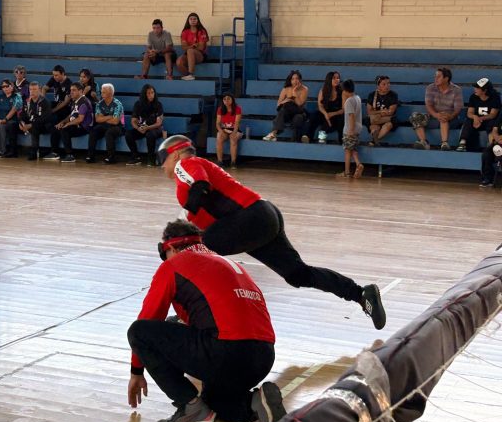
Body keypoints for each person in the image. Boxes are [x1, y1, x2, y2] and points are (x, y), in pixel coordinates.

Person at [155, 134, 386, 330]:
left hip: (250, 218)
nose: (162, 165)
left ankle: (190, 319)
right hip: (263, 217)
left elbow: (200, 188)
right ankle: (361, 294)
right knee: (298, 275)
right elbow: (197, 223)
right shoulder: (189, 182)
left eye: (162, 159)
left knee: (193, 256)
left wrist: (176, 240)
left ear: (175, 154)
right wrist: (174, 239)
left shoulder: (185, 165)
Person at [127, 220, 285, 422]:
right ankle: (256, 402)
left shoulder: (173, 265)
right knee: (216, 404)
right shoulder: (225, 263)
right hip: (262, 357)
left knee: (140, 332)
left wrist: (137, 371)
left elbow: (148, 318)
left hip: (224, 351)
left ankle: (189, 406)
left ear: (169, 248)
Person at [410, 67, 464, 151]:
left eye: (438, 77)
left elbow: (458, 108)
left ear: (446, 78)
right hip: (433, 117)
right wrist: (436, 115)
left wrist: (449, 116)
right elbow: (429, 105)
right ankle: (423, 141)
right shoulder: (430, 88)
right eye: (435, 76)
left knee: (444, 116)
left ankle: (444, 143)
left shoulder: (456, 90)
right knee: (415, 116)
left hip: (451, 118)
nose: (435, 79)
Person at [44, 82, 93, 163]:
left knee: (65, 130)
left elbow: (80, 119)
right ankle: (55, 153)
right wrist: (62, 122)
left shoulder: (84, 101)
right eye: (71, 90)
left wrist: (67, 124)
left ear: (80, 91)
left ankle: (70, 155)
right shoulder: (75, 100)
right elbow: (71, 115)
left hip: (84, 127)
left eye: (74, 90)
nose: (71, 92)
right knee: (56, 128)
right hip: (76, 125)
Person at [263, 70, 308, 142]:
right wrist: (286, 100)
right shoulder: (285, 89)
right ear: (290, 80)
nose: (295, 81)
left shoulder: (304, 89)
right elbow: (278, 105)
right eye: (293, 79)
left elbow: (299, 104)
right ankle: (274, 133)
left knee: (298, 117)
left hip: (299, 112)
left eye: (297, 78)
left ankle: (292, 138)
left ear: (300, 80)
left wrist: (294, 92)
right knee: (284, 109)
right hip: (287, 114)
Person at [456, 78, 500, 152]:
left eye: (477, 88)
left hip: (488, 120)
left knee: (493, 123)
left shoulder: (495, 97)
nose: (475, 89)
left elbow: (493, 115)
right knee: (468, 121)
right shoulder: (473, 97)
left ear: (485, 90)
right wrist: (475, 117)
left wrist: (480, 119)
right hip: (475, 121)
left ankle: (491, 144)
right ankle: (462, 143)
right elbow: (469, 113)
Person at [126, 84, 165, 167]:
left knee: (150, 134)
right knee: (129, 134)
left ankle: (151, 159)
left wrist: (148, 128)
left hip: (155, 128)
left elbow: (159, 123)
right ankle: (135, 157)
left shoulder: (158, 105)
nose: (151, 95)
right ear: (144, 94)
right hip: (142, 127)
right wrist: (138, 128)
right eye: (148, 93)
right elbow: (133, 121)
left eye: (152, 92)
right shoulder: (138, 104)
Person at [301, 71, 343, 144]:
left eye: (338, 78)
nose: (337, 80)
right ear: (329, 79)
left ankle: (322, 137)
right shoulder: (323, 90)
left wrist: (331, 114)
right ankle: (307, 137)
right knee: (314, 116)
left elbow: (343, 109)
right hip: (325, 112)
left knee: (333, 119)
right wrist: (325, 114)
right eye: (334, 78)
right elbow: (320, 105)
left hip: (336, 114)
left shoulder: (342, 92)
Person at [86, 83, 124, 164]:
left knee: (109, 132)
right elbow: (97, 119)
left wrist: (103, 118)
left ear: (110, 93)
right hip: (105, 125)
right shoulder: (99, 104)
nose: (101, 94)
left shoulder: (118, 104)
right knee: (93, 131)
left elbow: (115, 121)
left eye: (103, 92)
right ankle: (90, 156)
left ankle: (111, 157)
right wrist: (109, 117)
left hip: (118, 126)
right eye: (101, 92)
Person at [19, 81, 53, 161]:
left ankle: (34, 152)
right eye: (30, 89)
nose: (32, 91)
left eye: (34, 89)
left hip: (43, 126)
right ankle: (12, 150)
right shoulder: (27, 102)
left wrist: (31, 125)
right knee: (12, 126)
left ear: (39, 90)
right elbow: (23, 115)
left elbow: (45, 118)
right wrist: (22, 123)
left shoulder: (45, 102)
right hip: (30, 124)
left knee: (34, 128)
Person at [340, 79, 364, 179]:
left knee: (347, 150)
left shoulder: (349, 101)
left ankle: (347, 172)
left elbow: (351, 116)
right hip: (358, 127)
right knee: (353, 148)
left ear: (345, 90)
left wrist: (350, 129)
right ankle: (358, 164)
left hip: (350, 128)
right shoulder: (357, 98)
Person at [366, 75, 399, 146]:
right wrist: (381, 112)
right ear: (378, 86)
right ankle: (375, 140)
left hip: (388, 119)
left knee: (388, 125)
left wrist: (379, 114)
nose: (387, 86)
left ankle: (374, 141)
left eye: (388, 83)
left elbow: (391, 112)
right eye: (384, 84)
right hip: (376, 119)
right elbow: (369, 112)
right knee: (374, 127)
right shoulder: (372, 95)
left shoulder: (393, 95)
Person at [176, 13, 209, 81]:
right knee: (179, 62)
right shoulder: (185, 32)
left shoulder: (201, 31)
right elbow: (184, 47)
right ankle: (188, 75)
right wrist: (193, 46)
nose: (193, 20)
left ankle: (191, 74)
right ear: (188, 21)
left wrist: (190, 47)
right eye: (191, 19)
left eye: (195, 19)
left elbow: (201, 48)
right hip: (188, 54)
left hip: (200, 55)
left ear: (198, 20)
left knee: (190, 50)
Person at [215, 92, 242, 168]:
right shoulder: (220, 109)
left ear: (232, 100)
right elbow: (217, 123)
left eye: (228, 99)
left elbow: (237, 123)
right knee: (219, 138)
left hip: (235, 129)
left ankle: (233, 162)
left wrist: (234, 133)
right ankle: (220, 161)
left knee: (233, 139)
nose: (226, 100)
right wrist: (221, 131)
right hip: (224, 130)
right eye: (224, 99)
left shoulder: (237, 109)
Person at [479, 113, 502, 188]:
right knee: (486, 154)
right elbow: (494, 130)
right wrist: (497, 138)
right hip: (499, 142)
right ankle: (487, 179)